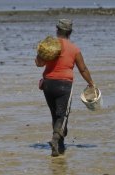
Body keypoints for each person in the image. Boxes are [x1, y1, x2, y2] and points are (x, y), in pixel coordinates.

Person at [35, 19, 95, 157]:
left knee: (55, 114)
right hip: (64, 85)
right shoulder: (74, 49)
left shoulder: (50, 46)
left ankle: (60, 146)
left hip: (48, 84)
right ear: (70, 32)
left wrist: (40, 52)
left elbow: (38, 63)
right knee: (62, 115)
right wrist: (91, 83)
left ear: (57, 30)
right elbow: (83, 69)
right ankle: (56, 139)